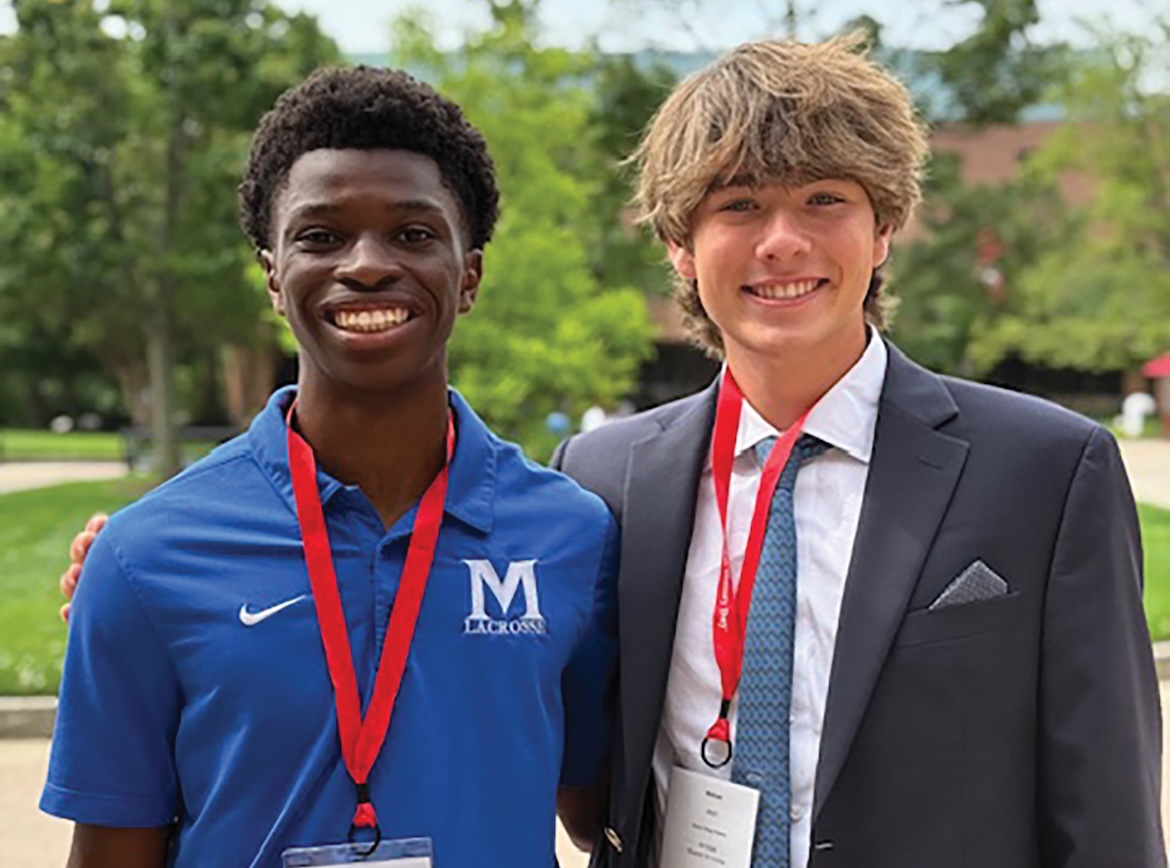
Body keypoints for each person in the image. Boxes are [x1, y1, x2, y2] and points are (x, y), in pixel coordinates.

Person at [549, 36, 1165, 868]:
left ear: (883, 228)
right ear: (679, 247)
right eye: (737, 204)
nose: (782, 241)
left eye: (823, 199)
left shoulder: (1048, 472)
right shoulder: (603, 480)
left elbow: (1109, 820)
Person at [43, 65, 615, 867]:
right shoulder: (145, 557)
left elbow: (598, 815)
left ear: (471, 275)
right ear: (274, 276)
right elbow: (112, 851)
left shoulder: (572, 536)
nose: (369, 264)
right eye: (321, 236)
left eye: (413, 234)